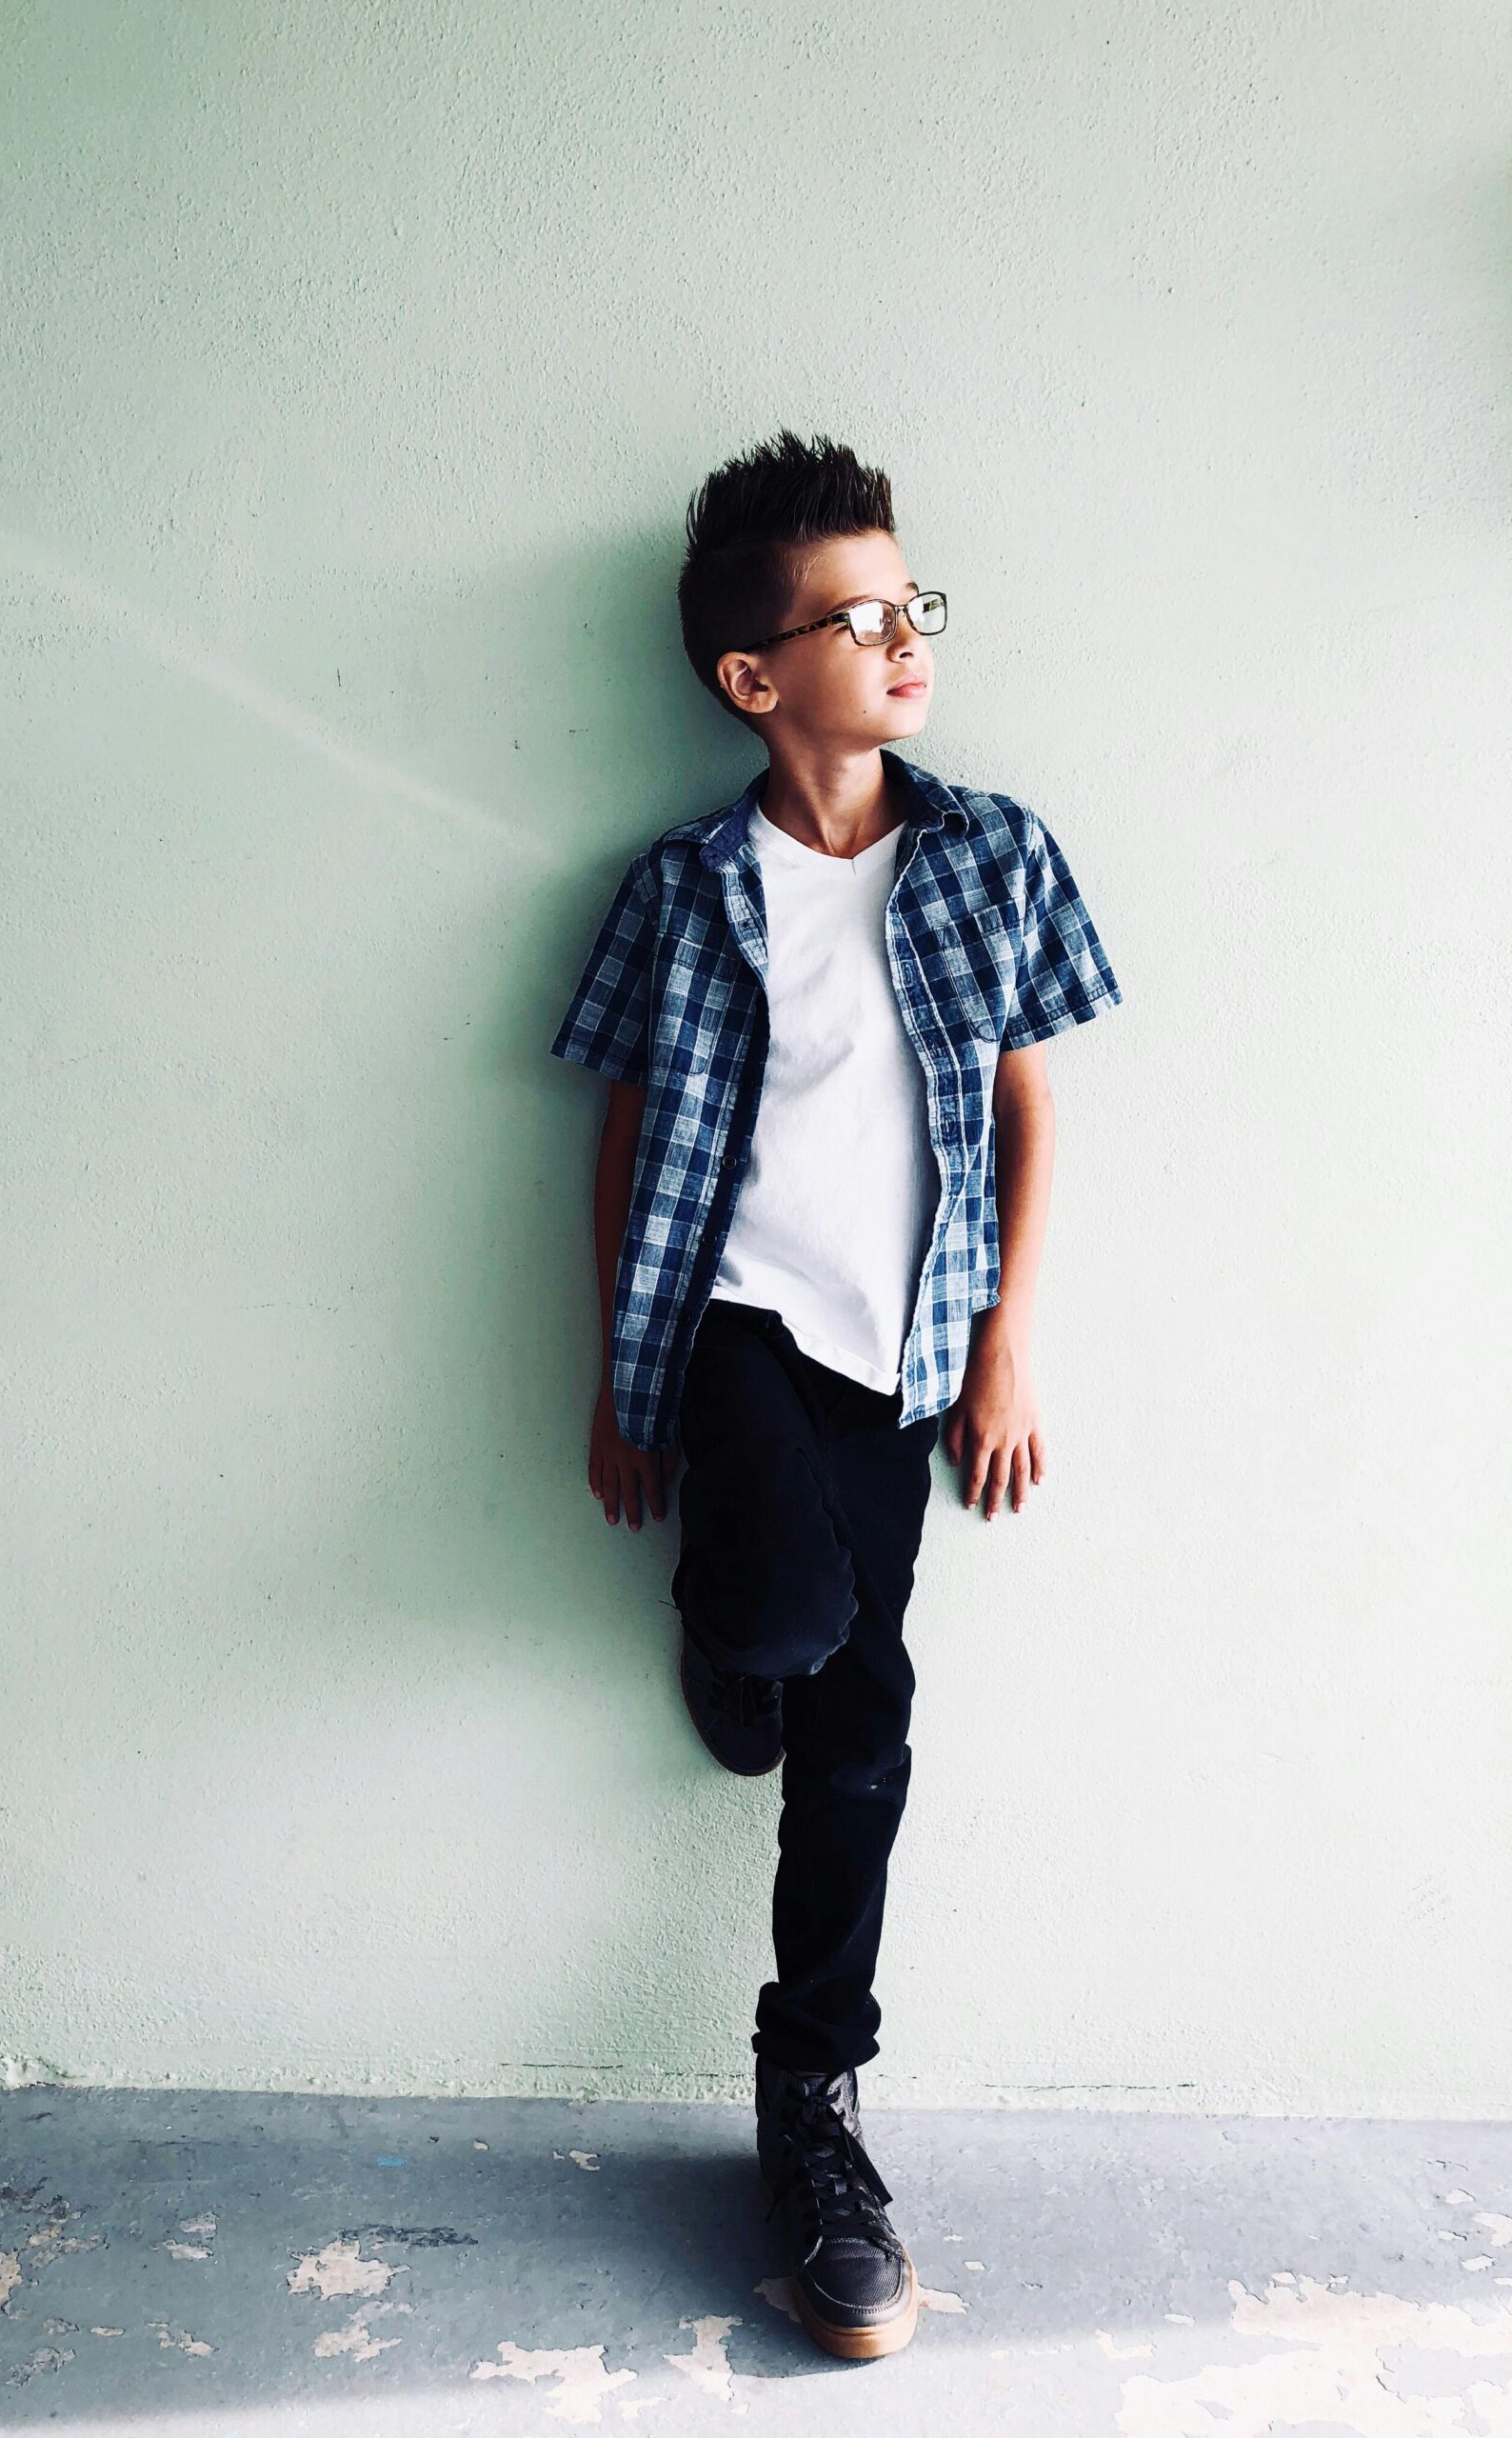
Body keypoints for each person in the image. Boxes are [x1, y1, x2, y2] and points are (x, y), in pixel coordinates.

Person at [547, 429, 1125, 2362]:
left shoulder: (995, 855)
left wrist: (1005, 1339)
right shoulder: (684, 886)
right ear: (753, 676)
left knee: (866, 1720)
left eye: (908, 605)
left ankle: (814, 2107)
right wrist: (621, 1379)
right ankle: (739, 1641)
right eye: (854, 616)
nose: (901, 639)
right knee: (789, 1621)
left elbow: (1032, 1096)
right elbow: (625, 1130)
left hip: (904, 1347)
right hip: (738, 1327)